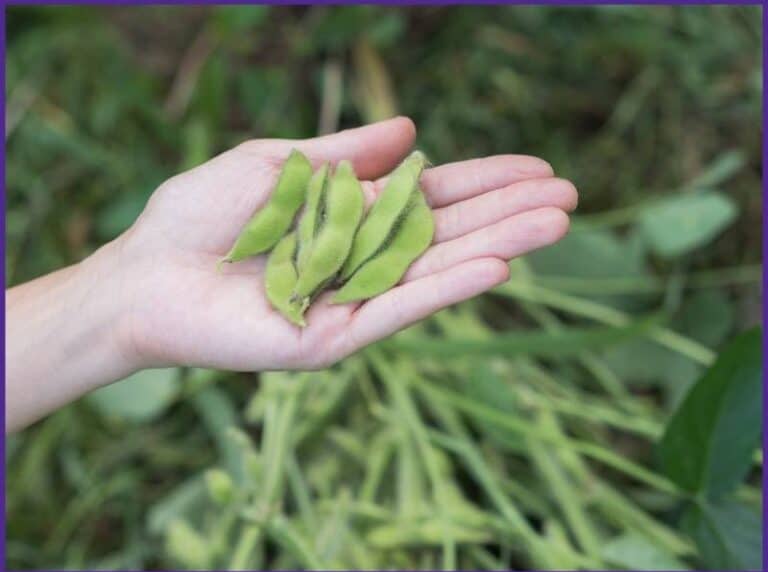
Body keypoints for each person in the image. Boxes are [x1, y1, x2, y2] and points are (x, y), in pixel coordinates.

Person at [5, 117, 577, 433]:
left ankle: (310, 286)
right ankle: (304, 287)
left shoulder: (341, 191)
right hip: (291, 266)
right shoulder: (313, 194)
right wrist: (127, 293)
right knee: (337, 233)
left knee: (358, 232)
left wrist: (119, 299)